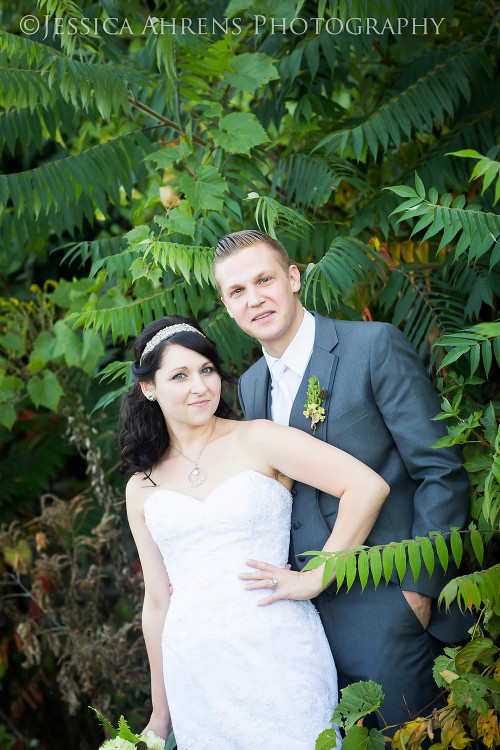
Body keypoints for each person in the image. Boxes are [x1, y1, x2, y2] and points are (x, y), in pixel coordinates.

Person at [212, 229, 472, 732]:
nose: (254, 299)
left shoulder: (372, 347)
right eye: (237, 291)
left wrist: (418, 592)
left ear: (292, 278)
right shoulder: (251, 386)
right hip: (305, 628)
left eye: (264, 279)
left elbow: (441, 470)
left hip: (390, 605)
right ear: (227, 307)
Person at [120, 316, 389, 750]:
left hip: (279, 651)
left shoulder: (258, 439)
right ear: (149, 388)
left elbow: (366, 487)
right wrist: (160, 714)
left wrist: (316, 577)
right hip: (196, 667)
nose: (200, 386)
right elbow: (156, 602)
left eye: (207, 370)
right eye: (180, 376)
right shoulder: (141, 488)